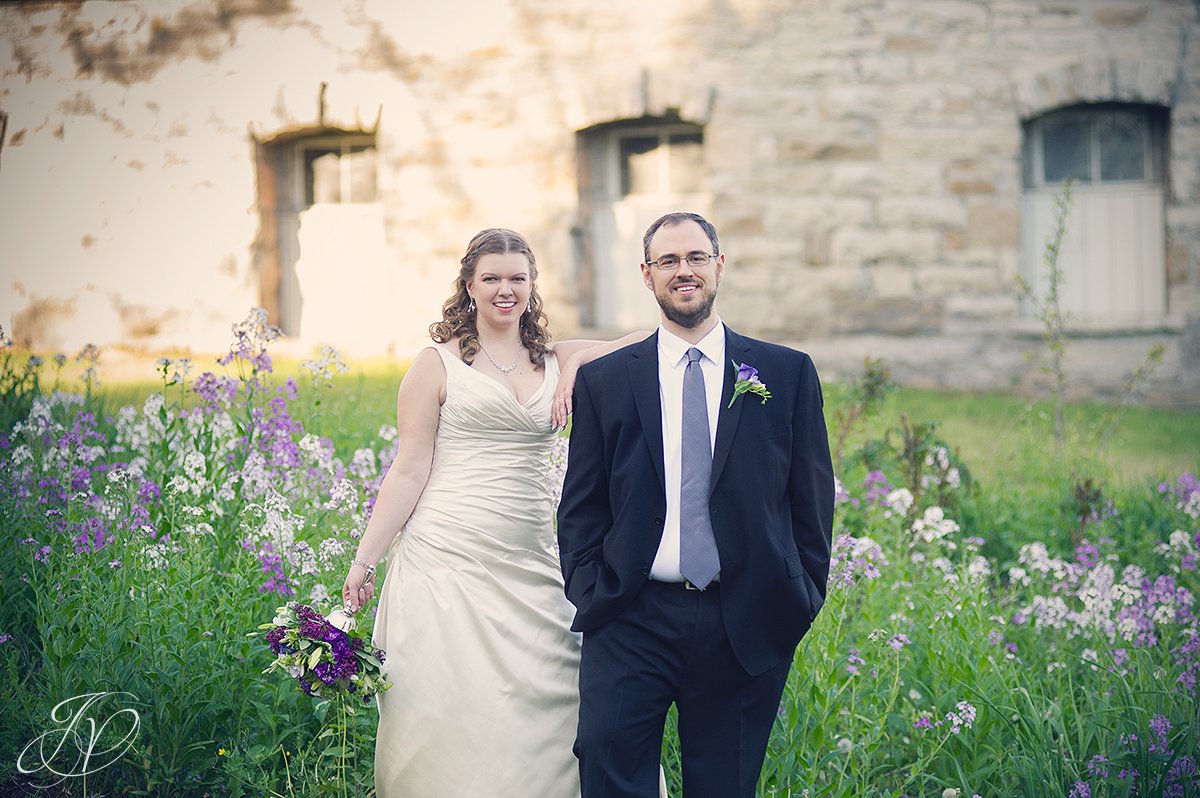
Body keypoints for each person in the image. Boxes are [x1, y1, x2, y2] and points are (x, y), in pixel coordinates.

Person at [340, 228, 645, 797]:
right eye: (492, 278)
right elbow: (408, 469)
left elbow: (650, 340)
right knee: (451, 707)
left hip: (533, 557)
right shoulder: (435, 365)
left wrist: (577, 368)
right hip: (445, 559)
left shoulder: (557, 358)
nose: (506, 290)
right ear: (469, 287)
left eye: (517, 278)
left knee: (563, 694)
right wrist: (365, 560)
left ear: (532, 287)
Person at [557, 212, 835, 798]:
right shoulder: (605, 380)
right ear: (646, 274)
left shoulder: (785, 373)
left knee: (724, 785)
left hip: (743, 616)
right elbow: (582, 505)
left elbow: (810, 502)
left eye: (695, 258)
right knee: (606, 764)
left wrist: (800, 594)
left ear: (718, 265)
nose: (683, 271)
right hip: (631, 613)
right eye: (668, 261)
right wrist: (591, 586)